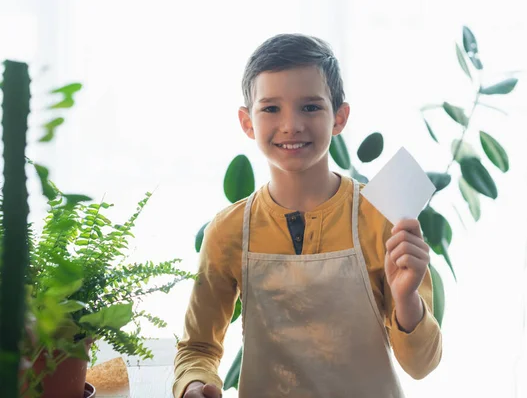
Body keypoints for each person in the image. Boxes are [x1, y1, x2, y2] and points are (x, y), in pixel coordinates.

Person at [173, 33, 442, 398]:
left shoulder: (383, 218)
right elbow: (198, 348)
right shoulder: (227, 231)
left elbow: (421, 366)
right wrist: (193, 386)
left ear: (339, 117)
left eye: (310, 107)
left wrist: (407, 298)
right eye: (271, 108)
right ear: (247, 122)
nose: (291, 125)